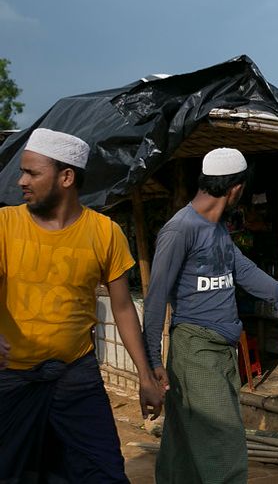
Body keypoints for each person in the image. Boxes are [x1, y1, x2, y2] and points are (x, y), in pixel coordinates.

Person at [143, 147, 278, 483]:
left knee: (182, 442)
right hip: (196, 351)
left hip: (221, 350)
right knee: (223, 442)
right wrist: (152, 362)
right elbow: (156, 298)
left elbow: (243, 270)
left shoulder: (217, 229)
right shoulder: (180, 229)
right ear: (236, 188)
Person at [0, 127, 164, 483]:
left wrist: (145, 375)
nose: (21, 181)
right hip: (10, 376)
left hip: (75, 375)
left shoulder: (105, 233)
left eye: (32, 173)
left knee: (104, 473)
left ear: (66, 177)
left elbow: (123, 308)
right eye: (23, 172)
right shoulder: (4, 226)